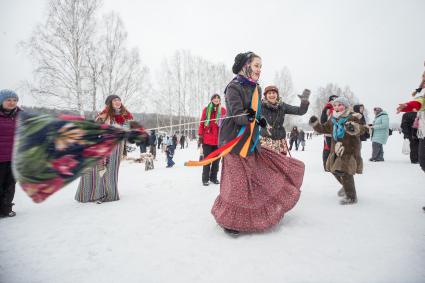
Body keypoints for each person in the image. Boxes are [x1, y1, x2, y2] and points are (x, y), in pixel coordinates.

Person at [211, 52, 304, 236]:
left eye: (261, 66)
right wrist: (248, 116)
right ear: (245, 66)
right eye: (256, 65)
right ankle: (231, 220)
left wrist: (259, 119)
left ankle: (271, 207)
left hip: (251, 141)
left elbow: (256, 111)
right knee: (237, 181)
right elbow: (237, 114)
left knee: (257, 177)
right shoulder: (233, 87)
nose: (259, 70)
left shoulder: (256, 89)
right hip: (234, 141)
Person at [75, 95, 133, 203]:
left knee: (111, 171)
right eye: (115, 100)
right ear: (109, 103)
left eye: (119, 100)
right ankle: (94, 194)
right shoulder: (103, 116)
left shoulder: (124, 116)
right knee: (98, 170)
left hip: (117, 147)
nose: (118, 102)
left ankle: (110, 193)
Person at [309, 97, 365, 205]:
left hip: (349, 149)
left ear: (345, 106)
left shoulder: (352, 117)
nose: (337, 107)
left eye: (340, 105)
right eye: (335, 105)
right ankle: (346, 186)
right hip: (336, 149)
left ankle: (351, 197)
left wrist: (354, 128)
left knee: (346, 173)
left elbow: (362, 129)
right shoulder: (333, 118)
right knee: (333, 170)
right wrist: (315, 124)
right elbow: (324, 129)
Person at [259, 85, 309, 155]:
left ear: (277, 94)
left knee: (280, 164)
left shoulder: (282, 106)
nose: (272, 95)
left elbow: (300, 111)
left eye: (274, 93)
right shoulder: (261, 106)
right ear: (265, 95)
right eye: (269, 93)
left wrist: (304, 101)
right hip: (266, 140)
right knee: (266, 164)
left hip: (280, 141)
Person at [0, 90, 21, 217]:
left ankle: (6, 208)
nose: (12, 102)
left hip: (15, 157)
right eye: (8, 100)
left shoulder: (21, 115)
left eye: (14, 100)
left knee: (10, 184)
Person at [198, 94, 227, 186]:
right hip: (207, 139)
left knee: (216, 160)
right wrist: (200, 135)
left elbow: (226, 124)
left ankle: (213, 178)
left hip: (218, 140)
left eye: (218, 98)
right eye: (214, 98)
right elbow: (202, 123)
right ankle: (205, 179)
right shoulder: (206, 110)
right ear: (211, 100)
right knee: (207, 159)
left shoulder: (223, 110)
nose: (216, 99)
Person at [321, 95, 339, 170]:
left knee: (336, 149)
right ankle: (326, 166)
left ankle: (335, 164)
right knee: (327, 149)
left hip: (337, 133)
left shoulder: (339, 109)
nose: (334, 102)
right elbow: (322, 121)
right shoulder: (327, 108)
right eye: (332, 100)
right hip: (328, 133)